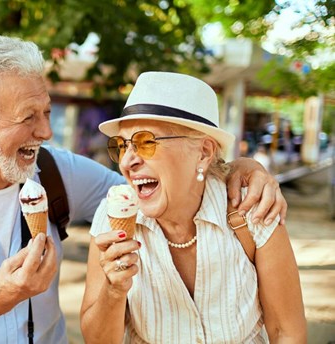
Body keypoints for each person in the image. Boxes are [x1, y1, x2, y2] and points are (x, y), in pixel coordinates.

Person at [0, 36, 287, 343]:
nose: (45, 132)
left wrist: (240, 168)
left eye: (46, 112)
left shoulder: (58, 171)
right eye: (28, 117)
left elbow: (156, 187)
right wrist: (5, 296)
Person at [80, 72, 306, 343]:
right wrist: (114, 291)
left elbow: (286, 333)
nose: (128, 160)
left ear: (203, 152)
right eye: (122, 145)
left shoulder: (252, 208)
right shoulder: (112, 215)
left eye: (146, 142)